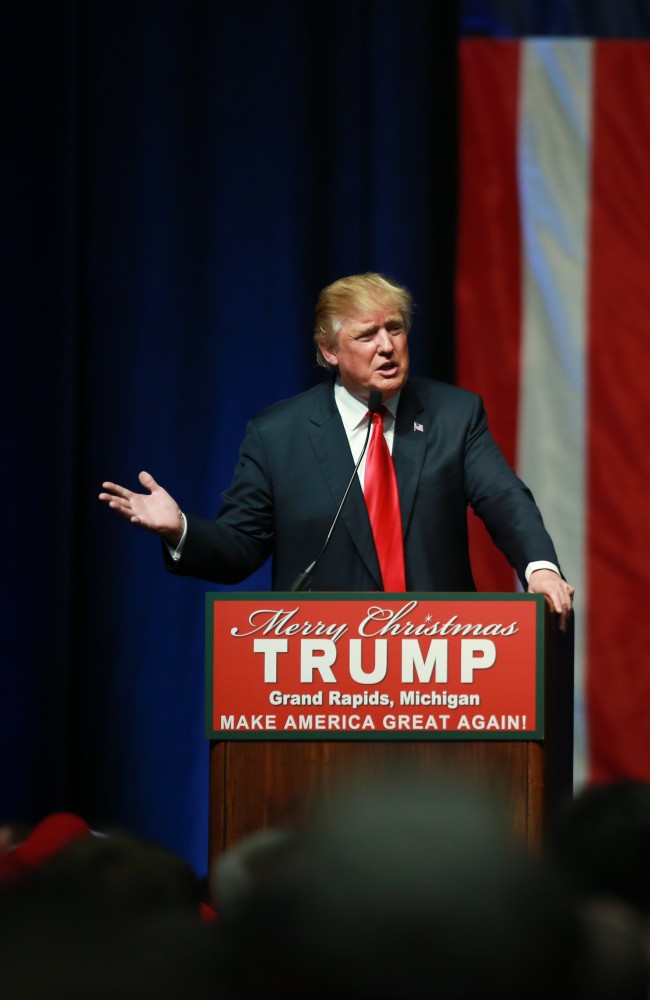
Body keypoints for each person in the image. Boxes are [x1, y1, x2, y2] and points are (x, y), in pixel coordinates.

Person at [99, 272, 573, 627]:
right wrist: (179, 529)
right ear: (330, 351)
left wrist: (540, 567)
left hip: (441, 663)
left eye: (395, 328)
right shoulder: (277, 436)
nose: (387, 346)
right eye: (367, 336)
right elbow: (240, 549)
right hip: (322, 675)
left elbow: (505, 499)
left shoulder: (455, 415)